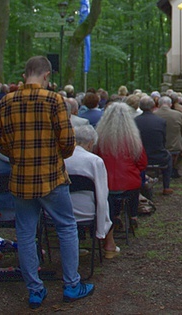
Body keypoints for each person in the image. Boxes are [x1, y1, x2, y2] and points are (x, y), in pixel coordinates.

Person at [0, 56, 93, 309]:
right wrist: (53, 155)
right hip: (51, 177)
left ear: (26, 74)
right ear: (47, 75)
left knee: (25, 234)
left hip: (21, 178)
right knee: (66, 228)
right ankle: (71, 285)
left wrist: (16, 154)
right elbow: (68, 143)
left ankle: (35, 290)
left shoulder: (7, 102)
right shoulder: (55, 101)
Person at [64, 124, 118, 259]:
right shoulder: (94, 161)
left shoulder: (61, 158)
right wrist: (101, 228)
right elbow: (102, 195)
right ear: (90, 143)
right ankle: (109, 243)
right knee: (107, 200)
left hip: (60, 210)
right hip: (87, 211)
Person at [95, 101, 148, 229]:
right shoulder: (133, 141)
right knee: (133, 187)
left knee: (113, 192)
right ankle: (133, 216)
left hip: (105, 183)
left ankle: (115, 216)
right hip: (128, 182)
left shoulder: (99, 140)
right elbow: (142, 163)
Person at [135, 95, 174, 194]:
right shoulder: (161, 121)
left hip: (139, 156)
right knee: (169, 157)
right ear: (153, 106)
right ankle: (166, 186)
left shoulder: (135, 121)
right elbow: (163, 140)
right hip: (158, 155)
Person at [154, 95, 182, 178]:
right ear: (170, 105)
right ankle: (175, 168)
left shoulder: (154, 114)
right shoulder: (178, 115)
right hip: (174, 144)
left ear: (159, 105)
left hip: (158, 145)